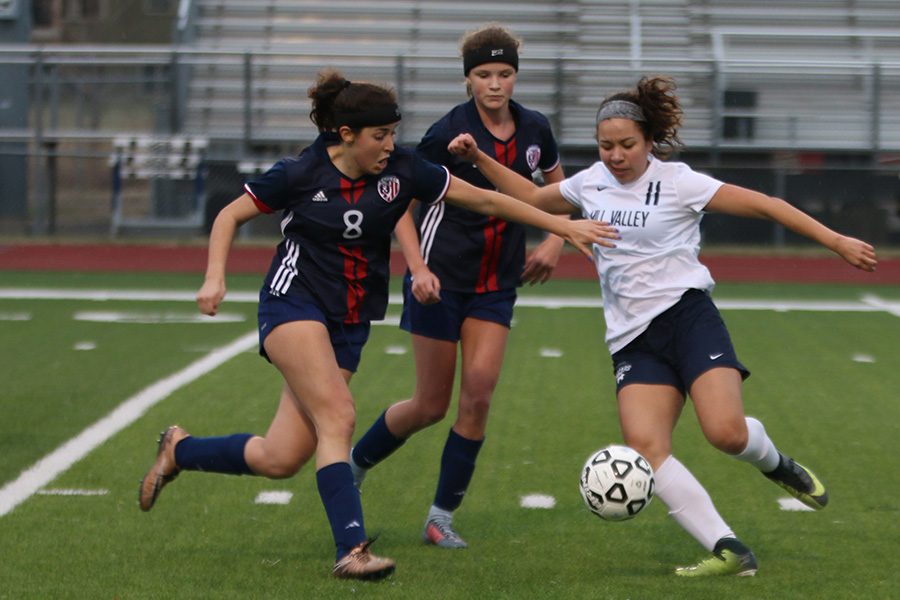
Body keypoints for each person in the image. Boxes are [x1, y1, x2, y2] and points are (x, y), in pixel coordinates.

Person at [137, 68, 617, 581]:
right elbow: (229, 215)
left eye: (393, 134)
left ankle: (180, 449)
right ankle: (351, 551)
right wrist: (215, 278)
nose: (390, 145)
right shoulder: (301, 173)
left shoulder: (403, 171)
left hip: (350, 319)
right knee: (339, 417)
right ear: (347, 136)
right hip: (292, 304)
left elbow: (484, 198)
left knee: (280, 457)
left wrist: (559, 225)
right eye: (380, 136)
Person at [446, 75, 877, 576]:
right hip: (632, 338)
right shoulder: (590, 182)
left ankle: (775, 462)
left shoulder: (679, 182)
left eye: (627, 145)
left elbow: (767, 204)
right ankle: (729, 549)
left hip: (688, 318)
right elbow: (530, 198)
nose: (615, 155)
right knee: (648, 449)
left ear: (649, 141)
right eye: (606, 145)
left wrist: (837, 241)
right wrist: (479, 159)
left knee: (726, 433)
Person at [350, 24, 569, 549]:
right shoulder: (445, 132)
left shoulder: (535, 129)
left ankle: (440, 517)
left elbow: (561, 190)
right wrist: (417, 267)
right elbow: (399, 203)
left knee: (478, 396)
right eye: (483, 74)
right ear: (468, 77)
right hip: (440, 279)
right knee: (430, 405)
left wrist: (554, 242)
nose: (495, 84)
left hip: (497, 283)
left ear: (516, 75)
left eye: (505, 73)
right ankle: (354, 464)